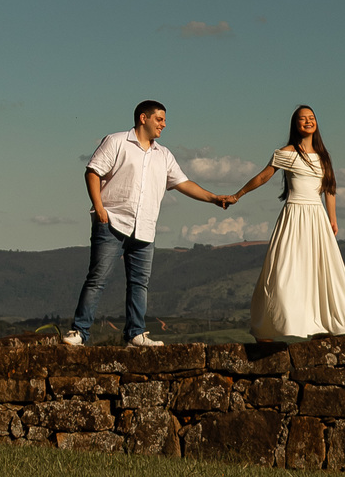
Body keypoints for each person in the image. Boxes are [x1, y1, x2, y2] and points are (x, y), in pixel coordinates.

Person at [63, 99, 230, 346]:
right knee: (97, 279)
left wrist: (214, 198)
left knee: (139, 283)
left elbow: (183, 183)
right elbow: (93, 171)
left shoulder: (164, 155)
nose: (164, 124)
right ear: (143, 118)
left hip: (145, 228)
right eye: (159, 119)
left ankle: (135, 334)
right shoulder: (117, 141)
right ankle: (79, 331)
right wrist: (99, 207)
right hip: (112, 221)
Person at [221, 103, 345, 341]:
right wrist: (237, 195)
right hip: (294, 216)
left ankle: (321, 327)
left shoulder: (324, 157)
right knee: (283, 271)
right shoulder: (285, 153)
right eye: (302, 118)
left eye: (312, 117)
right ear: (295, 125)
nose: (308, 121)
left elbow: (329, 189)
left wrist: (332, 219)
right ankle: (268, 328)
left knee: (320, 272)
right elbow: (264, 176)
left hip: (317, 219)